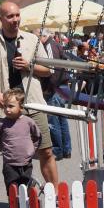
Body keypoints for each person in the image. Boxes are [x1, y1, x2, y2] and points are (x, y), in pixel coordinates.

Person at [0, 1, 57, 206]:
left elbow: (49, 69)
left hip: (33, 104)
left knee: (46, 151)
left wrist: (29, 66)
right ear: (1, 20)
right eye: (10, 17)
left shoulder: (32, 39)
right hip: (6, 110)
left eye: (17, 15)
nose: (15, 20)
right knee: (13, 159)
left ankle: (54, 196)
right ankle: (18, 203)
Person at [0, 88, 41, 208]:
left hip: (26, 161)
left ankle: (26, 205)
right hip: (9, 163)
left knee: (24, 184)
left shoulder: (28, 122)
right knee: (12, 187)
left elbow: (37, 136)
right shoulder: (2, 124)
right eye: (5, 106)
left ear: (21, 106)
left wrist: (32, 149)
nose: (7, 109)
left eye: (11, 106)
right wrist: (3, 147)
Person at [38, 29, 71, 160]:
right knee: (62, 119)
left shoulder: (49, 46)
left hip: (54, 88)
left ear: (43, 36)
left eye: (37, 37)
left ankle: (58, 150)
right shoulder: (56, 44)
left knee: (54, 121)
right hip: (60, 86)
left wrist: (50, 88)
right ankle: (66, 149)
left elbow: (52, 69)